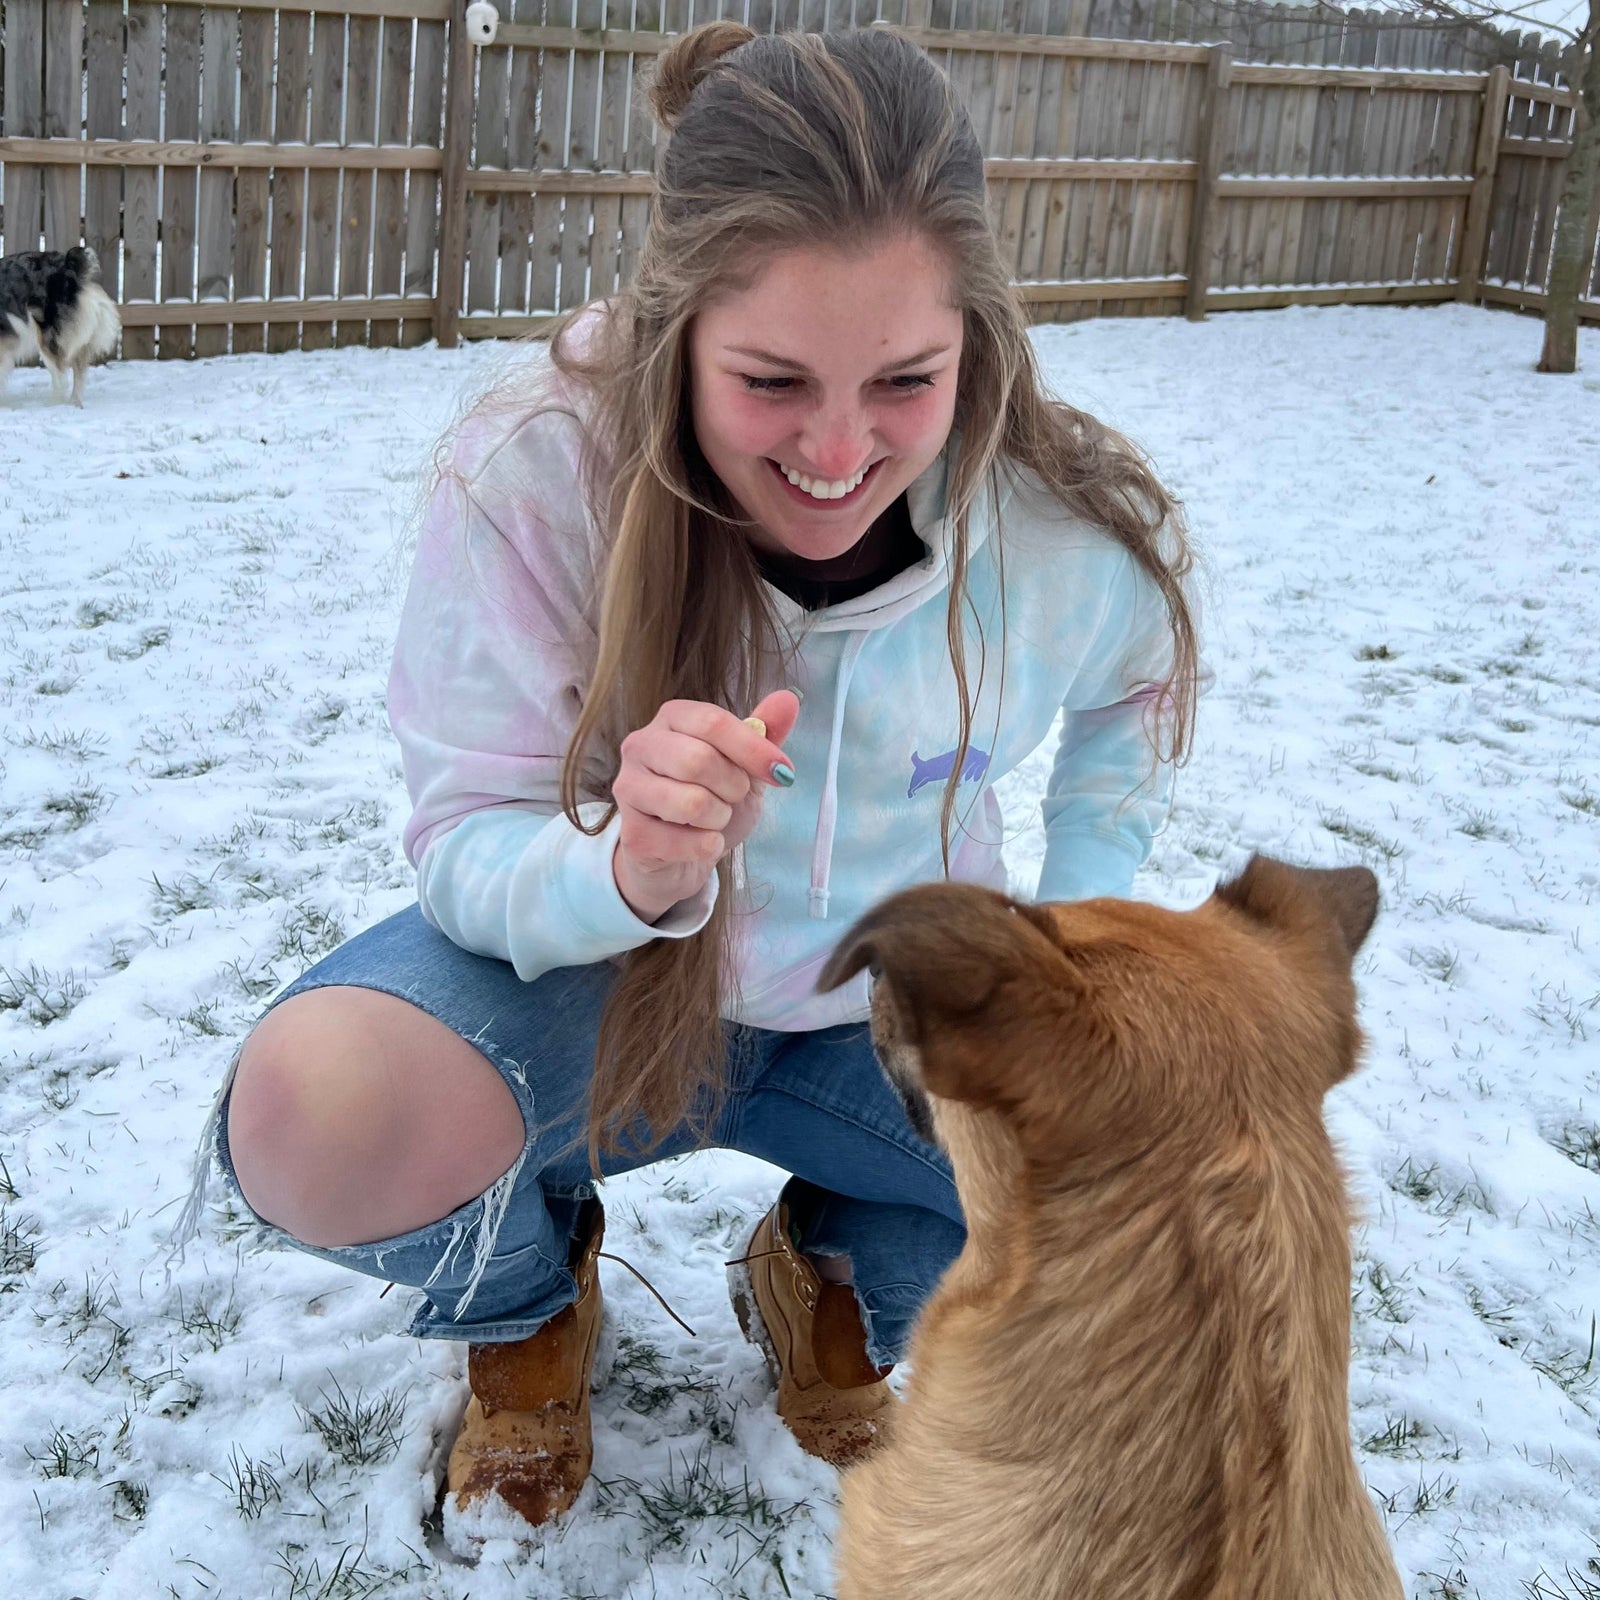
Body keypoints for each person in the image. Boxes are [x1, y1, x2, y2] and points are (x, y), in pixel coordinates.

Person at [198, 19, 1202, 1536]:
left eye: (908, 381)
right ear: (678, 327)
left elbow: (1141, 678)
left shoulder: (1050, 518)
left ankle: (836, 1269)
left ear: (976, 341)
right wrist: (621, 872)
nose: (841, 448)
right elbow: (468, 836)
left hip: (883, 1024)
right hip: (600, 1002)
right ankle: (529, 1305)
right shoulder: (536, 467)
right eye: (773, 381)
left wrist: (1075, 937)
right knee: (316, 1111)